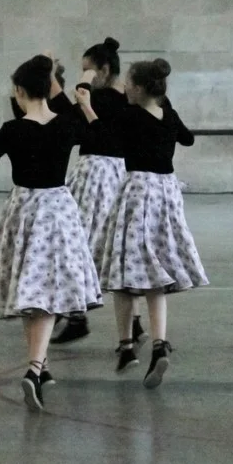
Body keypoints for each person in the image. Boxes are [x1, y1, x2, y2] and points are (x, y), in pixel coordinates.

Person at [0, 55, 101, 412]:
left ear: (19, 91)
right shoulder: (67, 123)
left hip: (24, 211)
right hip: (58, 210)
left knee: (30, 289)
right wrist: (86, 105)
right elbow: (99, 137)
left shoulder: (13, 129)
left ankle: (35, 367)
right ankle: (39, 367)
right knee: (45, 290)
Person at [97, 58, 207, 387]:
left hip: (138, 192)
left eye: (129, 84)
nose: (125, 88)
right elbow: (187, 139)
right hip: (167, 192)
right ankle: (159, 343)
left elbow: (102, 135)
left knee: (123, 272)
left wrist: (88, 105)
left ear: (141, 87)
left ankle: (126, 346)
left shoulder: (129, 115)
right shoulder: (168, 115)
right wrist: (164, 108)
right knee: (155, 271)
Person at [48, 38, 145, 348]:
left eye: (88, 70)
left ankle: (76, 316)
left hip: (97, 175)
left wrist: (56, 79)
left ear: (103, 70)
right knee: (118, 249)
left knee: (79, 244)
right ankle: (135, 322)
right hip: (120, 174)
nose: (85, 76)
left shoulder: (101, 99)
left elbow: (67, 115)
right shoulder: (126, 99)